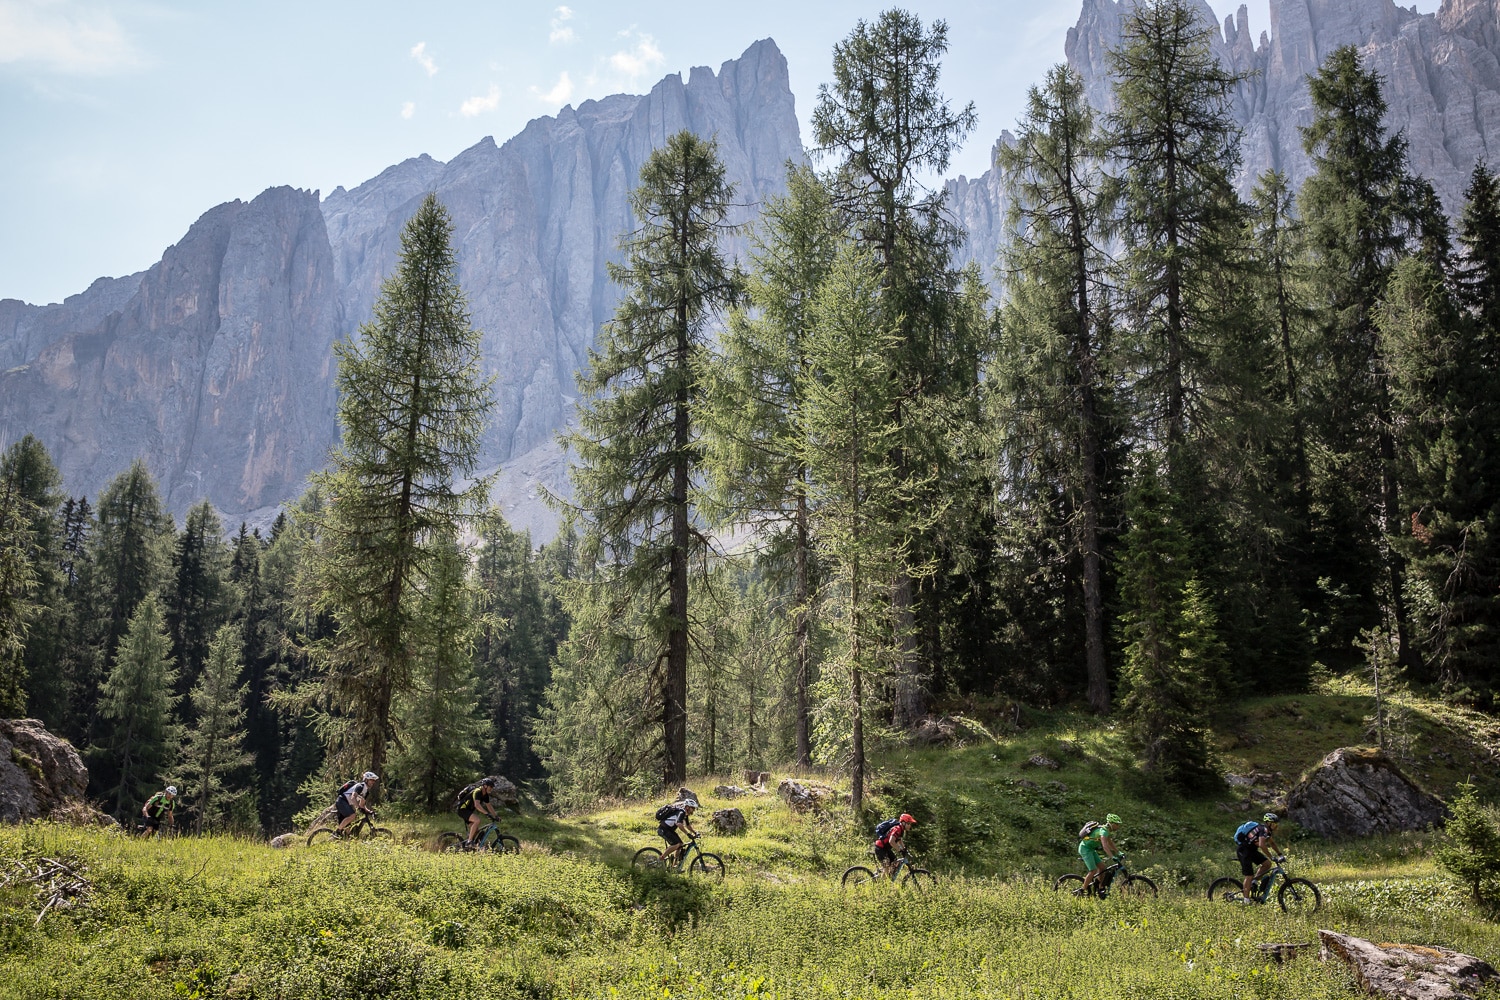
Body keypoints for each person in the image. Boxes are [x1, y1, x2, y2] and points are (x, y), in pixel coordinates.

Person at [1237, 812, 1285, 901]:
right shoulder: (1263, 829)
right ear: (1268, 823)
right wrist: (1271, 856)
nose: (1276, 826)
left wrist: (1280, 854)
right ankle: (1246, 900)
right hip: (1243, 850)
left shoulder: (1267, 832)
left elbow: (1272, 843)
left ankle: (1254, 881)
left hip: (1251, 850)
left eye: (1276, 824)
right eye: (1274, 824)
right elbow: (1262, 845)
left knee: (1267, 864)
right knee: (1249, 875)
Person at [1078, 813, 1122, 895]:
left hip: (1091, 849)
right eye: (1117, 824)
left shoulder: (1106, 830)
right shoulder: (1103, 831)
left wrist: (1118, 852)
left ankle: (1099, 887)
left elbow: (1110, 843)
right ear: (1111, 824)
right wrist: (1112, 856)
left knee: (1102, 868)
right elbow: (1105, 846)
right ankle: (1082, 890)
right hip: (1085, 849)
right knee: (1093, 870)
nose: (1118, 826)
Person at [455, 776, 500, 848]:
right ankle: (469, 842)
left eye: (492, 787)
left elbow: (489, 806)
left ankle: (468, 846)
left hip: (468, 811)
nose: (491, 788)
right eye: (490, 787)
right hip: (462, 809)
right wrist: (486, 813)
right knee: (477, 820)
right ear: (485, 786)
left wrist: (496, 816)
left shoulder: (485, 795)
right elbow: (477, 805)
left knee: (476, 830)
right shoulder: (477, 792)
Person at [656, 798, 699, 868]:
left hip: (669, 830)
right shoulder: (681, 812)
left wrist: (695, 832)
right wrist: (687, 834)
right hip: (663, 829)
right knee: (676, 844)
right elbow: (679, 824)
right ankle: (661, 858)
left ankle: (674, 865)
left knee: (680, 845)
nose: (694, 810)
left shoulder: (685, 814)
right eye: (693, 808)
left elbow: (687, 825)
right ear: (687, 807)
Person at [334, 771, 379, 836]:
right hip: (342, 801)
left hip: (346, 803)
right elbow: (353, 797)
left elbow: (362, 804)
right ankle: (337, 832)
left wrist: (370, 812)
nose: (373, 782)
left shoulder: (366, 791)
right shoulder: (360, 786)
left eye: (374, 781)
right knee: (352, 815)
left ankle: (341, 838)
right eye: (371, 780)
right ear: (366, 780)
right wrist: (358, 807)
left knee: (348, 833)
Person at [873, 813, 917, 877]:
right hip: (880, 847)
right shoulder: (897, 829)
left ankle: (886, 877)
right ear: (903, 823)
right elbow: (891, 841)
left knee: (894, 862)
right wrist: (900, 850)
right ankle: (882, 884)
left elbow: (899, 840)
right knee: (886, 865)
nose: (910, 826)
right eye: (908, 823)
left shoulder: (901, 829)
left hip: (885, 848)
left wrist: (904, 849)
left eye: (910, 824)